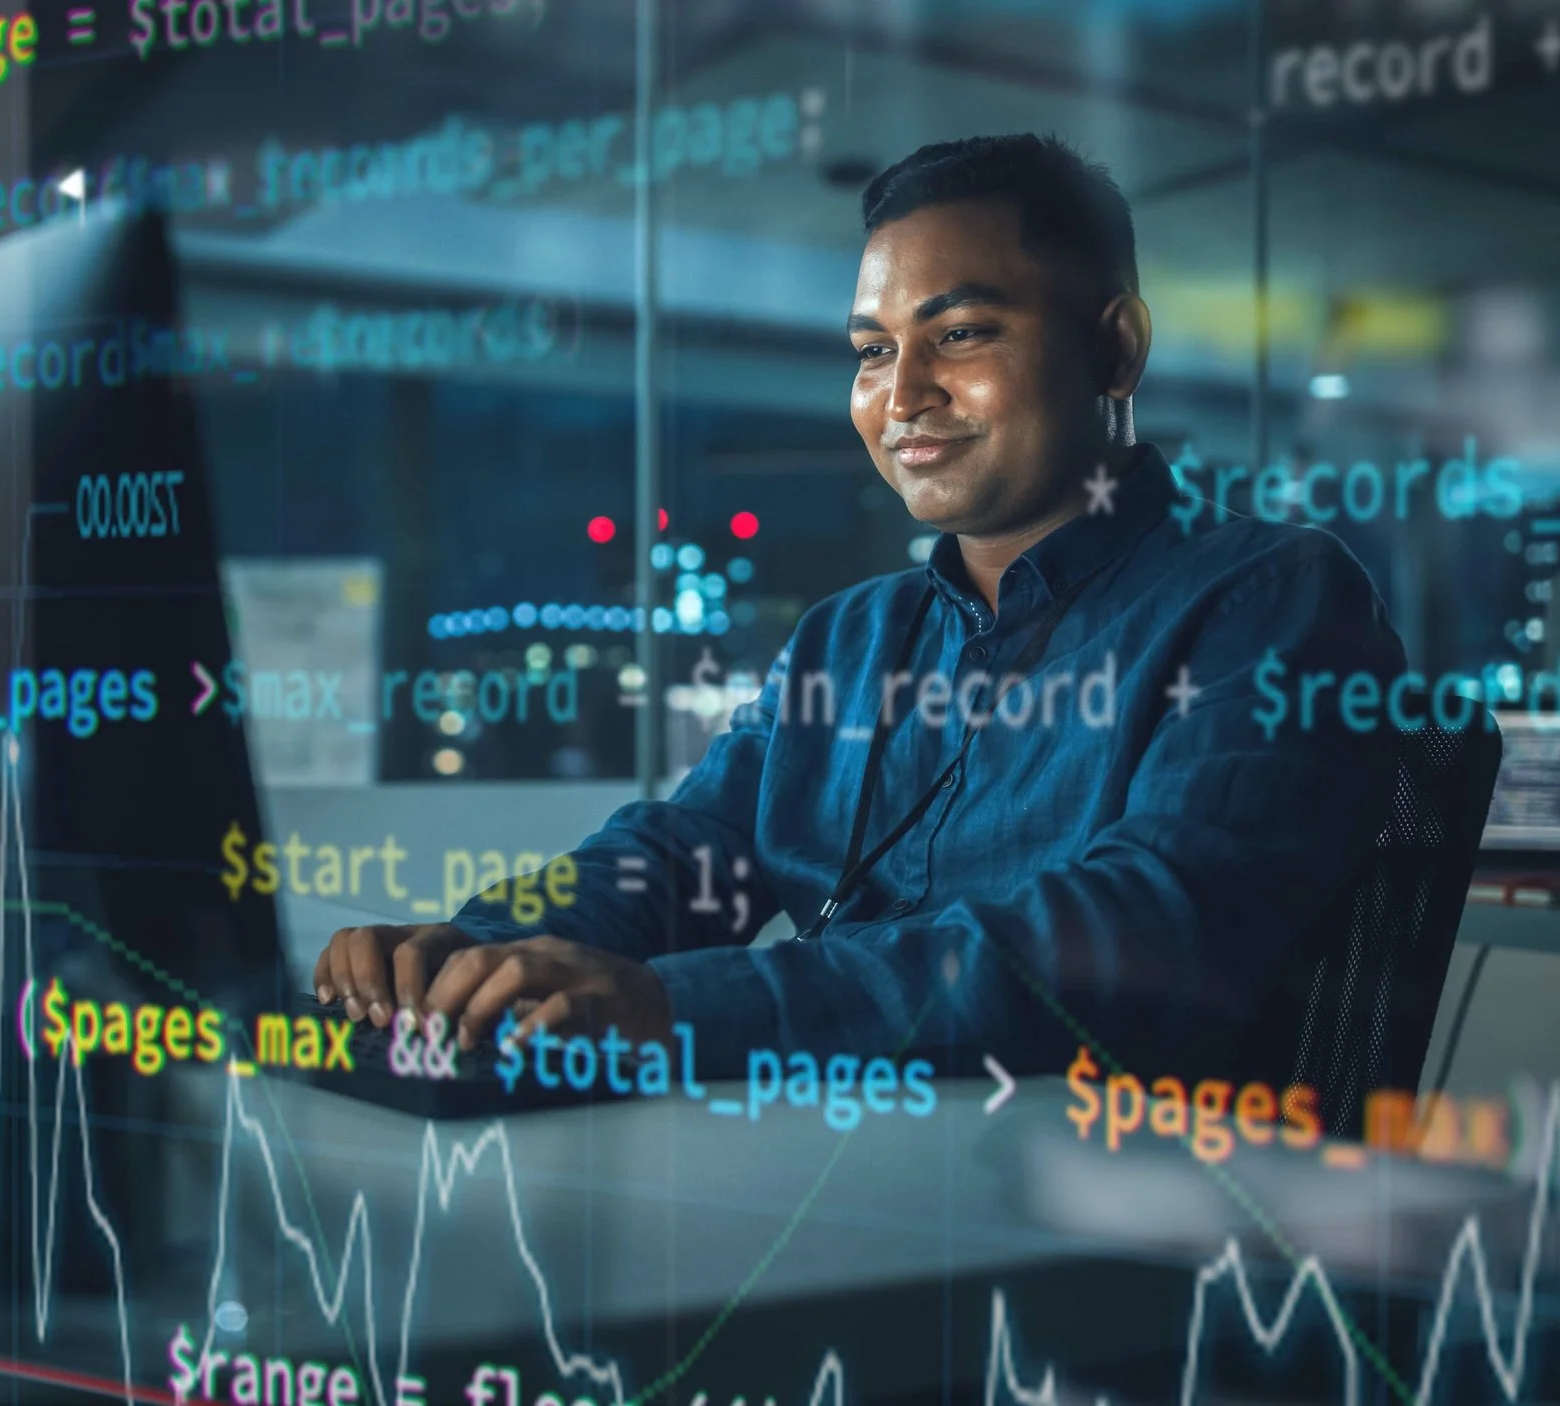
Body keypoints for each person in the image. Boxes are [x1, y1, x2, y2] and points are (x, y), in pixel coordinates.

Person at [312, 134, 1406, 1083]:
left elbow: (1146, 930)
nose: (903, 393)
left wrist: (672, 1008)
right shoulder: (852, 635)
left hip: (1107, 1209)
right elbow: (688, 846)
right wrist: (471, 950)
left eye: (962, 332)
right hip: (846, 1162)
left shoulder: (1264, 595)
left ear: (1114, 347)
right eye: (873, 350)